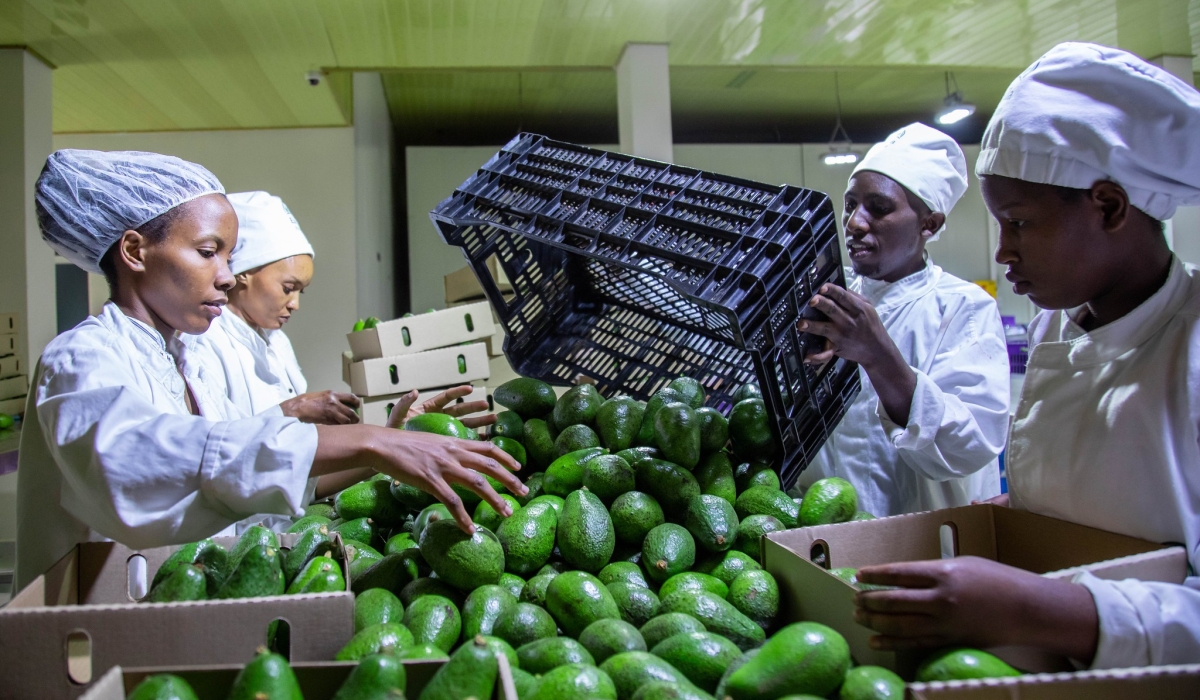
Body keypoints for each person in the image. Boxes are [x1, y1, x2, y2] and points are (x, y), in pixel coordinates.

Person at [15, 150, 523, 591]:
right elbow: (140, 465)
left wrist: (391, 445)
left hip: (183, 620)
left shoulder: (189, 362)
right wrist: (371, 441)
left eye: (231, 256)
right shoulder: (83, 359)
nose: (226, 275)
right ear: (134, 251)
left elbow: (250, 483)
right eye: (208, 252)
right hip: (92, 645)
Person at [851, 43, 1200, 668]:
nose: (1003, 253)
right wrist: (1008, 517)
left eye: (1016, 223)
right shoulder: (1056, 327)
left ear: (1110, 208)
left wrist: (1036, 606)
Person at [184, 192, 495, 517]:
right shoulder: (204, 345)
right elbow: (212, 460)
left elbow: (302, 480)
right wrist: (294, 410)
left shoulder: (276, 343)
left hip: (285, 533)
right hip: (233, 540)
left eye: (301, 292)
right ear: (243, 273)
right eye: (288, 288)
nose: (295, 304)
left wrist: (393, 439)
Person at [794, 123, 1009, 517]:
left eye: (878, 208)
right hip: (822, 542)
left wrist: (878, 356)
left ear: (930, 224)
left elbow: (967, 447)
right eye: (850, 204)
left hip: (925, 545)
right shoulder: (823, 298)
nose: (854, 223)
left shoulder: (963, 308)